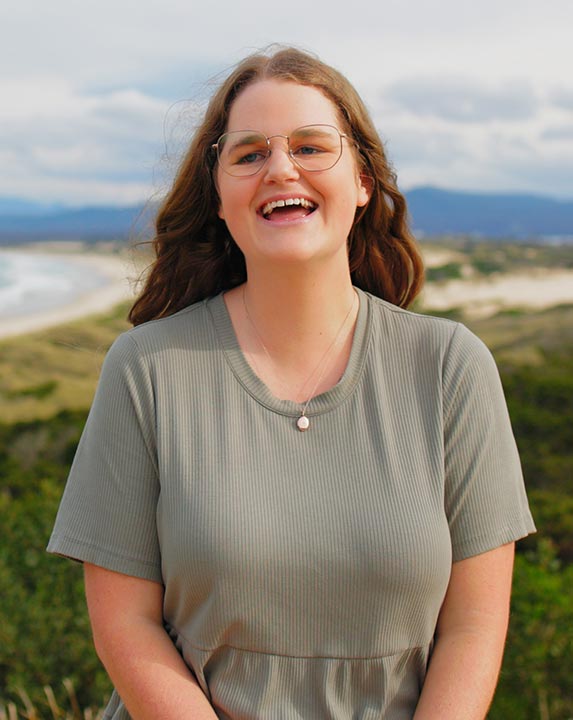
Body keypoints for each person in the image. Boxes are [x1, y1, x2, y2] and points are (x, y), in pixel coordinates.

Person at [48, 46, 535, 719]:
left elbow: (473, 629)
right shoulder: (145, 369)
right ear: (218, 197)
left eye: (310, 146)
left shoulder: (450, 366)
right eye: (248, 155)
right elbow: (125, 627)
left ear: (363, 181)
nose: (280, 169)